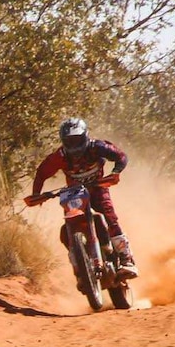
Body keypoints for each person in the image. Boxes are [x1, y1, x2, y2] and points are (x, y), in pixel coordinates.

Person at [31, 117, 139, 279]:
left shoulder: (97, 147)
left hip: (98, 188)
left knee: (110, 218)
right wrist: (36, 194)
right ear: (63, 141)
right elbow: (41, 174)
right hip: (74, 193)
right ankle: (80, 270)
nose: (74, 146)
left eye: (77, 140)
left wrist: (115, 172)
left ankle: (126, 260)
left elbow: (121, 156)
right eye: (70, 141)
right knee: (66, 229)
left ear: (85, 136)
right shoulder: (59, 156)